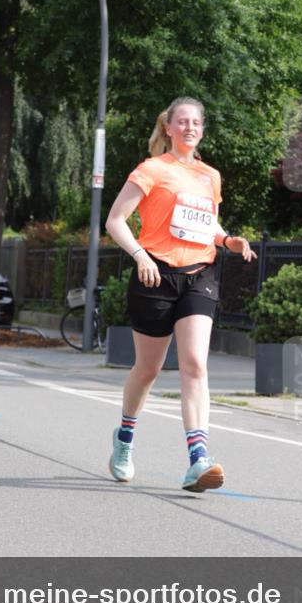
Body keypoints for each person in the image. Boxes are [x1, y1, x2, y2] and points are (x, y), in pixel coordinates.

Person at [105, 97, 255, 493]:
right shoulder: (151, 169)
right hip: (155, 275)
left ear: (202, 129)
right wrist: (140, 255)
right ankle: (124, 438)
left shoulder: (210, 175)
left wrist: (228, 239)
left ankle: (197, 459)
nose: (190, 127)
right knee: (148, 370)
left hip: (199, 275)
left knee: (194, 363)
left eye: (196, 123)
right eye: (182, 122)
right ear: (168, 127)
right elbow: (115, 220)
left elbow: (207, 223)